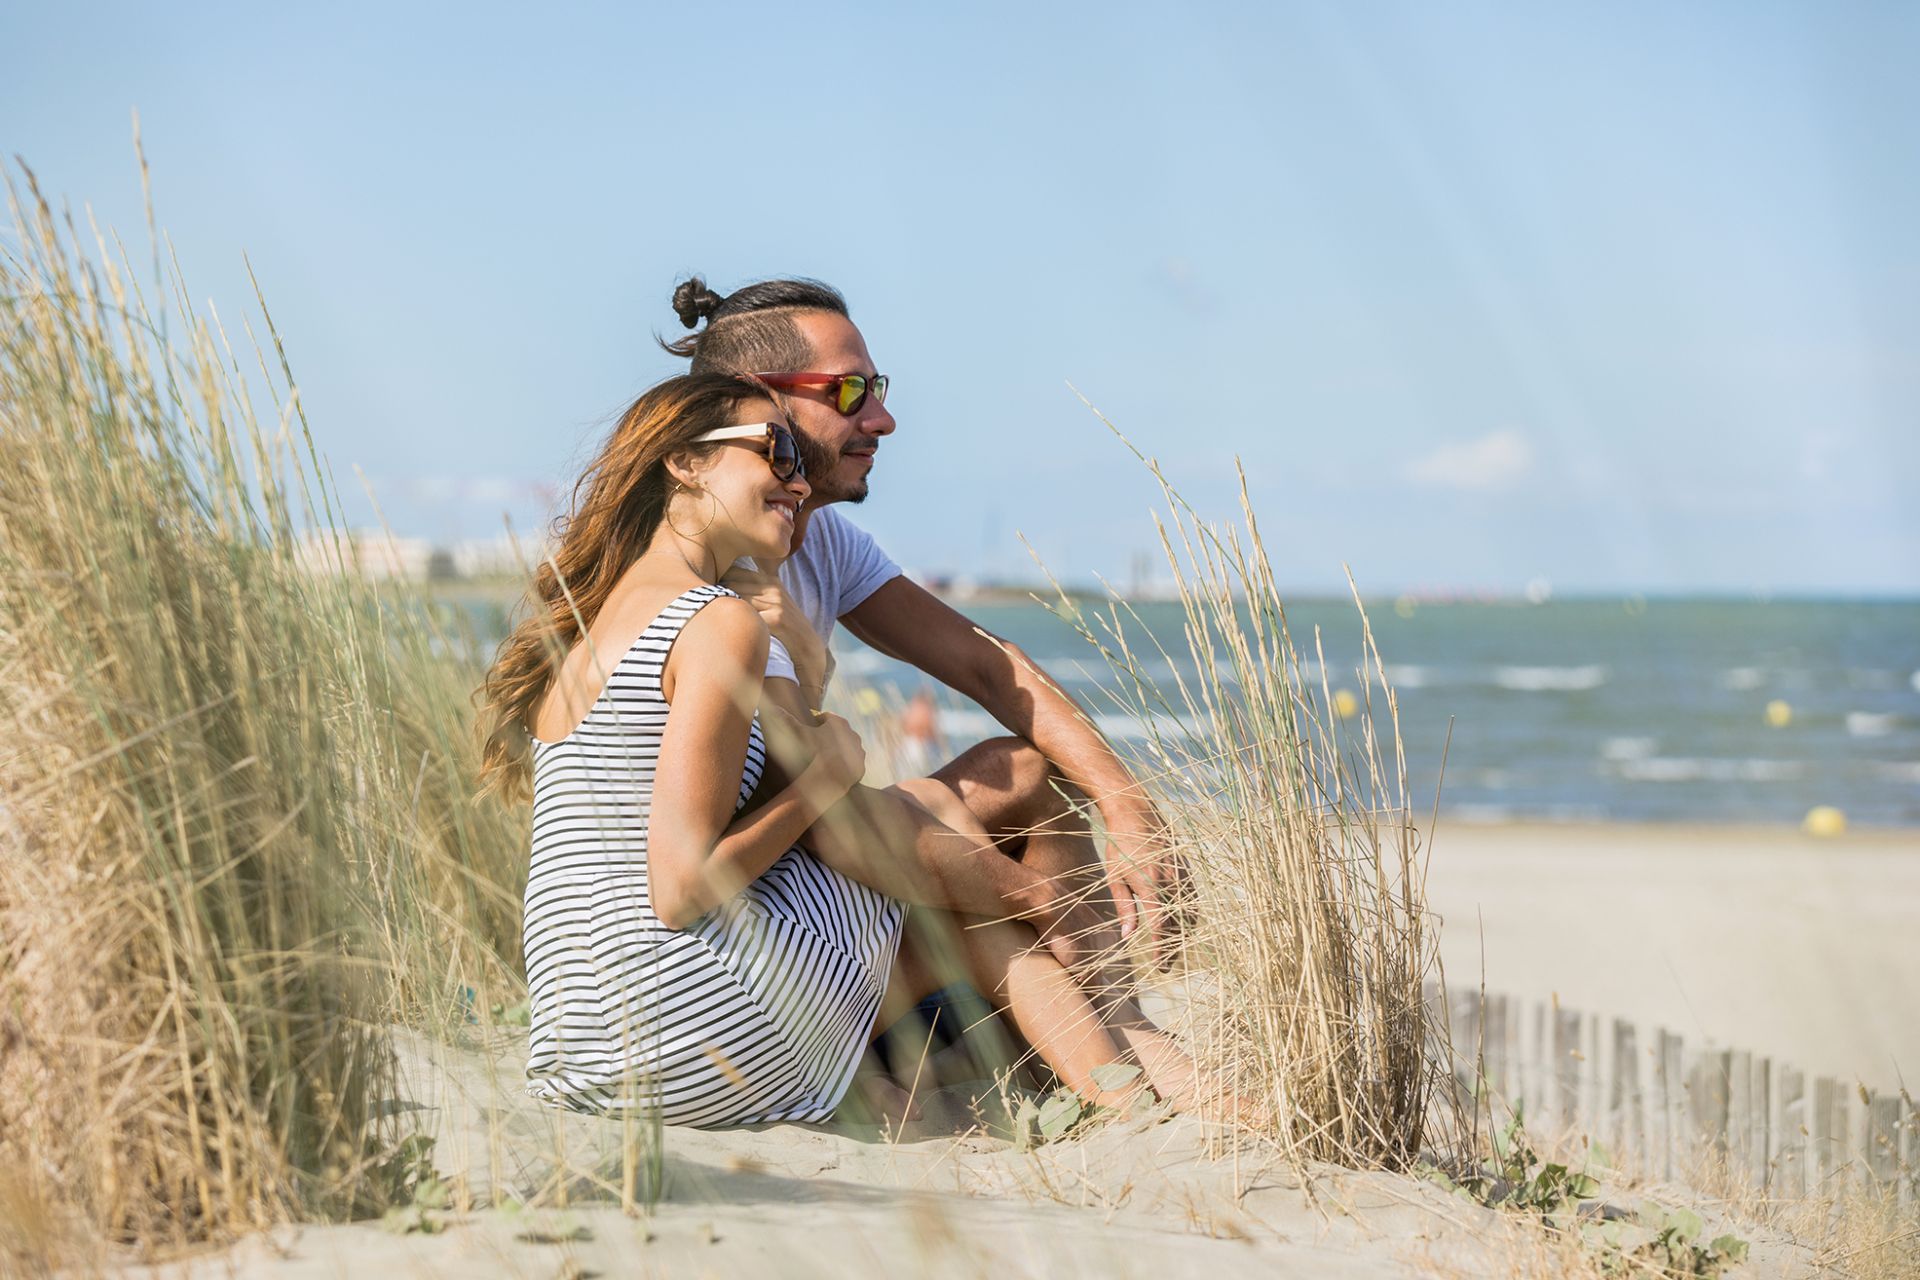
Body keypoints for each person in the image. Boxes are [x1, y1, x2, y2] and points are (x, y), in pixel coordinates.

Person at [477, 373, 1194, 1124]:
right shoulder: (715, 621)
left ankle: (1112, 1086)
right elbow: (681, 887)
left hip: (581, 1053)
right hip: (688, 1027)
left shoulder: (591, 621)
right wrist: (823, 777)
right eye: (776, 450)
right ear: (684, 462)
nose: (798, 477)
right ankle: (1137, 1099)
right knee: (961, 902)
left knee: (943, 891)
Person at [660, 277, 1179, 959]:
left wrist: (1127, 803)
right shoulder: (684, 568)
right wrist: (1028, 894)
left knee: (1031, 773)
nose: (881, 420)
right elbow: (811, 817)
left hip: (814, 871)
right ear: (759, 401)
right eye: (848, 393)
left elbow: (988, 666)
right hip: (734, 927)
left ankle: (1100, 1043)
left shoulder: (823, 541)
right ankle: (1118, 1044)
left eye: (879, 391)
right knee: (993, 911)